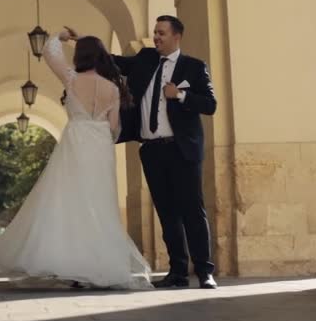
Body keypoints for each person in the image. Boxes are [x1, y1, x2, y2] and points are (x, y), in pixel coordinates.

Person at [0, 28, 152, 289]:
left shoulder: (71, 79)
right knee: (99, 203)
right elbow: (115, 127)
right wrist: (103, 133)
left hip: (75, 142)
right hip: (100, 146)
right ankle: (98, 264)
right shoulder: (113, 89)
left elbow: (50, 52)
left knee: (71, 200)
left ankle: (75, 268)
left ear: (81, 56)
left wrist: (64, 37)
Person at [67, 15, 218, 289]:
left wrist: (181, 96)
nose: (156, 37)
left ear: (176, 36)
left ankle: (205, 271)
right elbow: (114, 62)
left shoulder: (194, 67)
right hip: (152, 150)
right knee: (167, 213)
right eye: (155, 33)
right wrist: (83, 42)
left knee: (192, 211)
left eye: (161, 33)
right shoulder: (146, 58)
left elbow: (210, 104)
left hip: (182, 149)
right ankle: (178, 272)